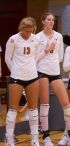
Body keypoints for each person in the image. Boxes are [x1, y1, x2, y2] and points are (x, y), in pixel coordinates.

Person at [36, 12, 70, 146]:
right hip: (41, 72)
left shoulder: (59, 36)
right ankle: (46, 137)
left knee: (67, 104)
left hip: (55, 72)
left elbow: (60, 56)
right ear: (43, 21)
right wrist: (46, 51)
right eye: (48, 19)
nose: (51, 22)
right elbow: (35, 58)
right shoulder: (37, 37)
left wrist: (52, 62)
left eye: (53, 20)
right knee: (45, 105)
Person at [5, 17, 40, 146]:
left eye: (31, 31)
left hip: (32, 76)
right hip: (16, 77)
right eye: (26, 31)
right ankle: (9, 139)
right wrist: (15, 71)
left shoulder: (36, 39)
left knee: (33, 109)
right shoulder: (13, 39)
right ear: (22, 28)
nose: (28, 34)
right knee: (13, 109)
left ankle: (35, 139)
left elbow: (36, 57)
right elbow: (7, 58)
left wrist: (31, 69)